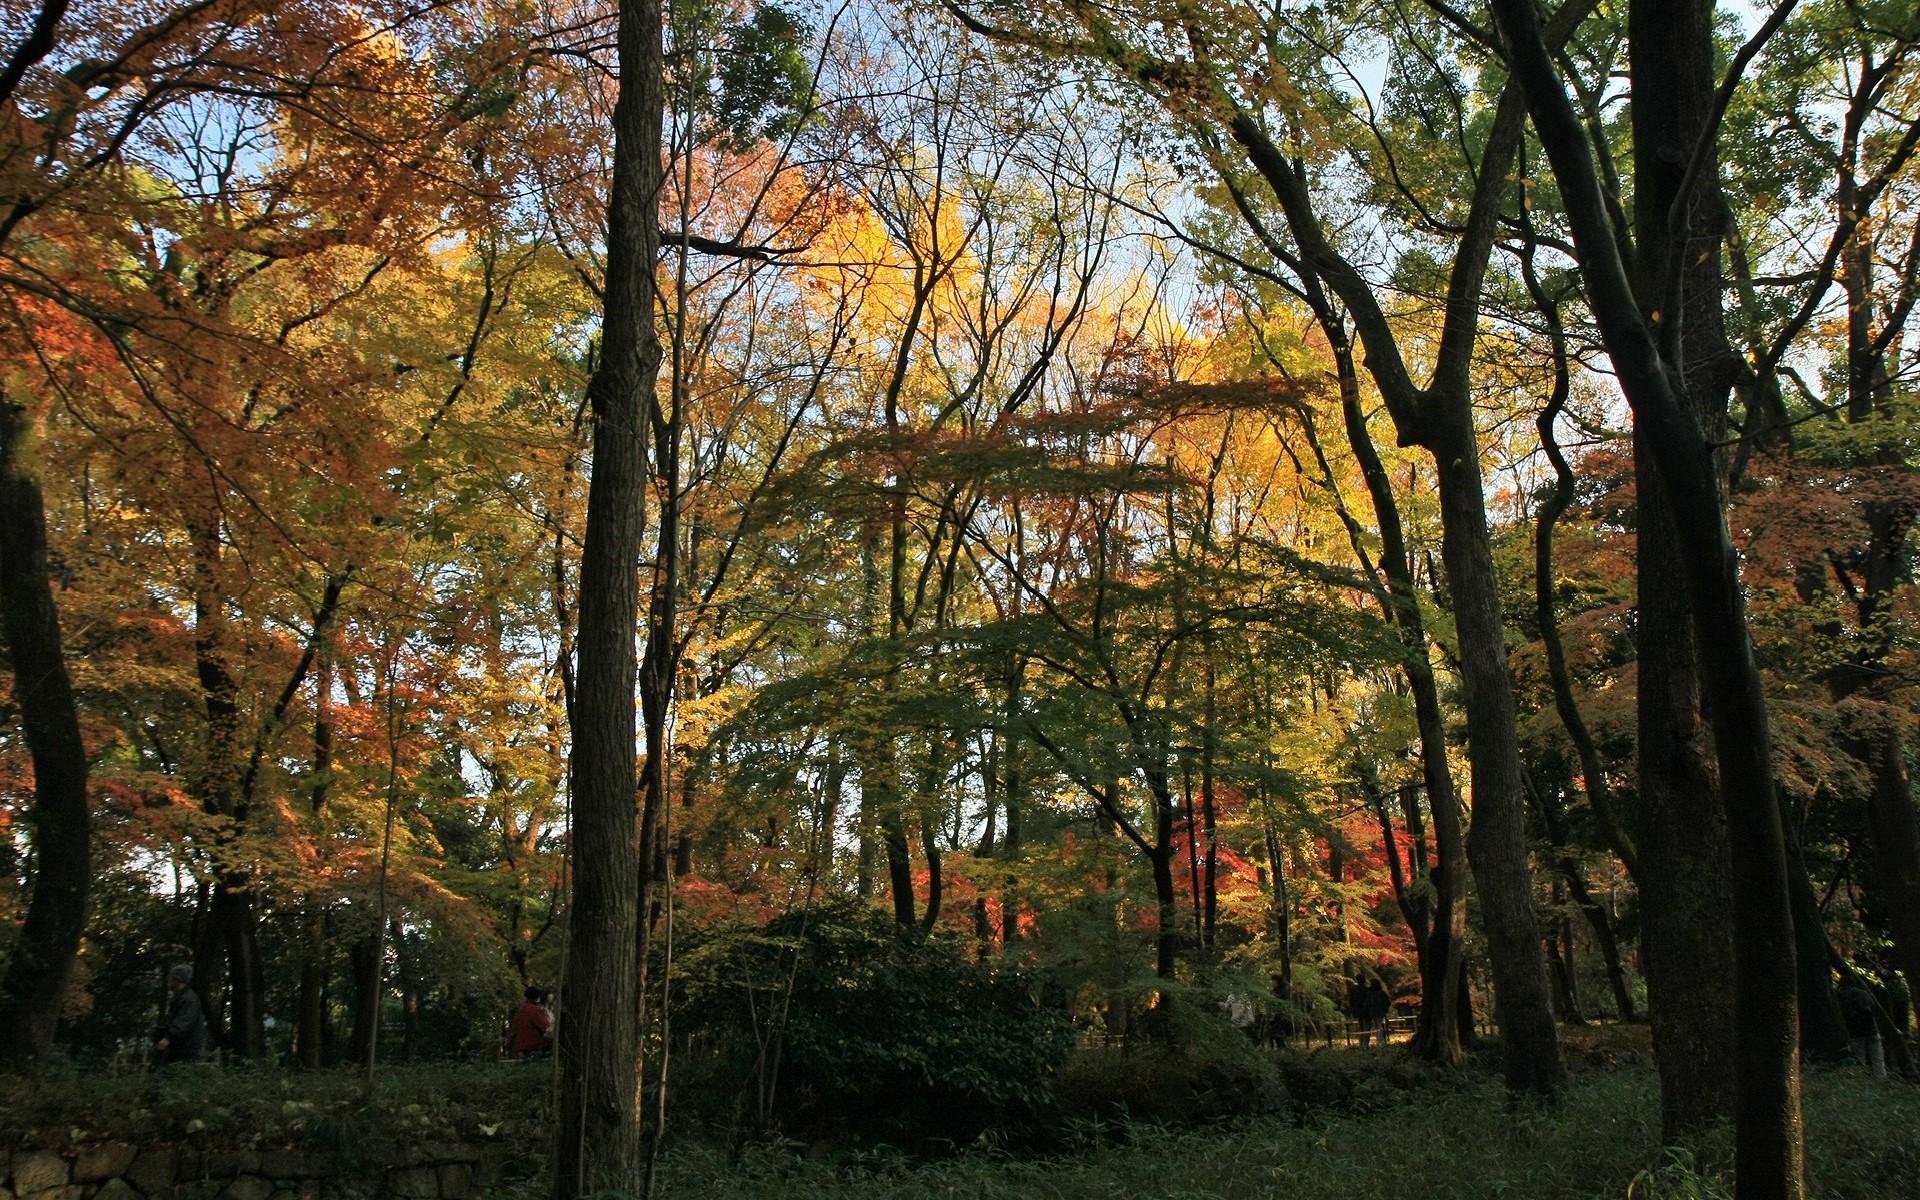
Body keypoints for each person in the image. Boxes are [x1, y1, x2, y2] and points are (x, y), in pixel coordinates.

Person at [151, 963, 209, 1066]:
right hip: (180, 1049)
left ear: (177, 979)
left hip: (187, 1051)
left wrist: (167, 1038)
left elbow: (184, 1022)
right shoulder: (181, 997)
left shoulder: (188, 999)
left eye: (171, 978)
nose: (169, 980)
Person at [1838, 972, 1888, 1080]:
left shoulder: (1840, 996)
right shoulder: (1864, 994)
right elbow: (1874, 1010)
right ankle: (1881, 1082)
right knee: (1878, 1060)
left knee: (1860, 1059)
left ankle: (1861, 1082)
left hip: (1855, 1032)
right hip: (1871, 1030)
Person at [507, 985, 552, 1061]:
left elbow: (514, 1028)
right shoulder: (535, 1010)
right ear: (538, 997)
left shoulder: (521, 1009)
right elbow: (545, 1026)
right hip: (532, 1046)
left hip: (519, 1046)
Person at [1358, 978, 1391, 1047]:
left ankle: (1380, 1041)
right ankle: (1381, 1041)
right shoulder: (1381, 993)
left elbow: (1366, 1003)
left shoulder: (1370, 993)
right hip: (1381, 1012)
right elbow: (1388, 1002)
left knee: (1377, 1025)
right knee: (1379, 1025)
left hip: (1372, 1012)